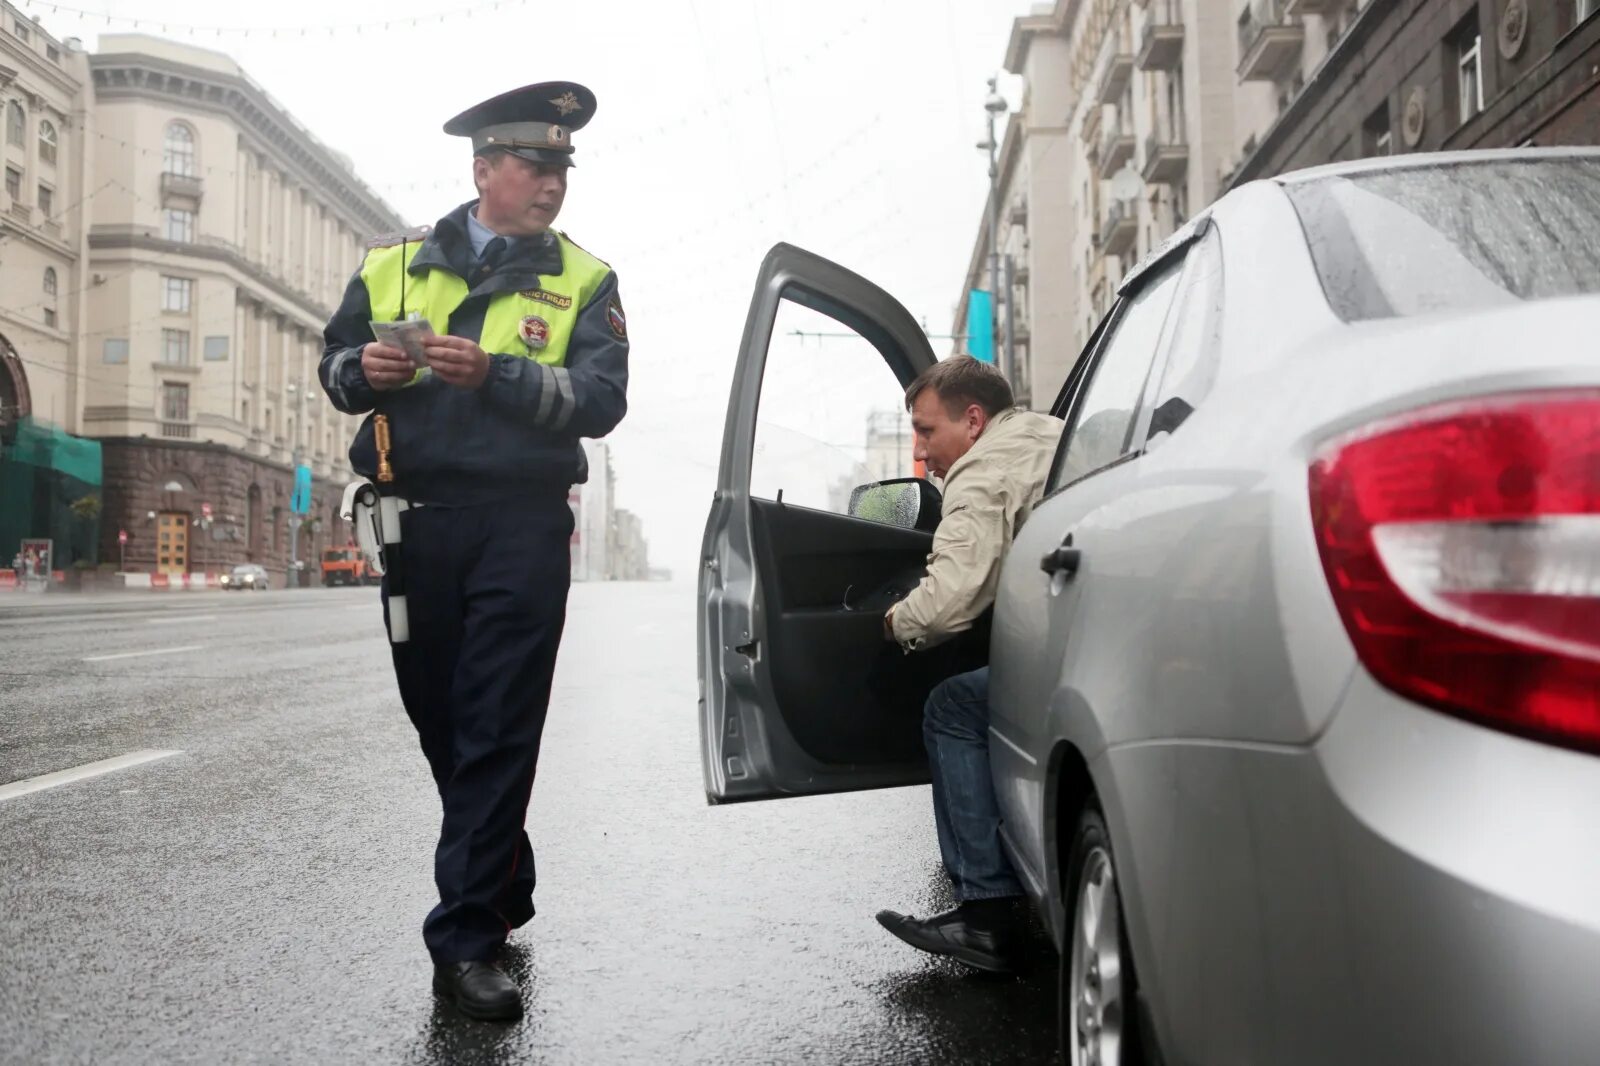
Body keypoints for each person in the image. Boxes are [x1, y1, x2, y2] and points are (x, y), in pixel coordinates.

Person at [318, 81, 628, 1021]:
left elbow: (602, 400)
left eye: (561, 168)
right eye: (535, 166)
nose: (551, 185)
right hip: (414, 525)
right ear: (485, 168)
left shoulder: (587, 279)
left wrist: (499, 375)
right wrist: (360, 370)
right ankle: (502, 867)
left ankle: (467, 938)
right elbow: (335, 368)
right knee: (438, 713)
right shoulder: (393, 265)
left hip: (521, 525)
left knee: (495, 719)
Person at [873, 355, 1062, 974]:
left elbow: (948, 605)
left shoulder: (982, 472)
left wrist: (892, 621)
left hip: (1072, 655)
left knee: (950, 706)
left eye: (928, 431)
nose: (921, 453)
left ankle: (985, 916)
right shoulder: (1048, 433)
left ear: (974, 420)